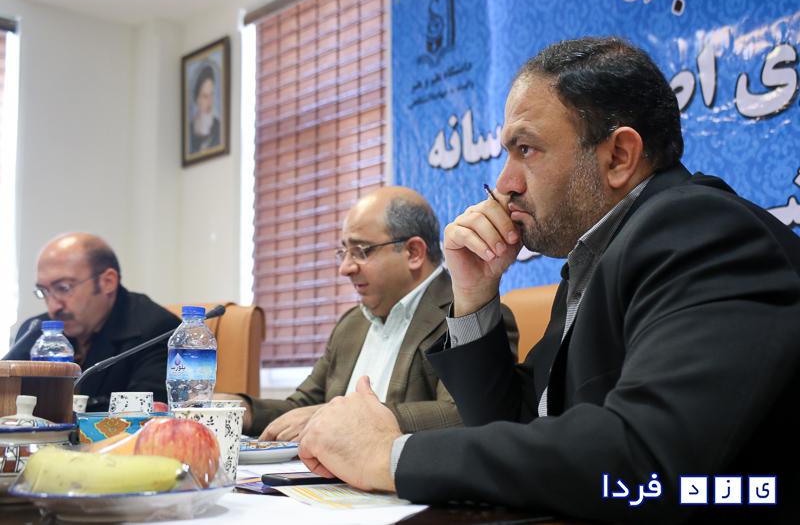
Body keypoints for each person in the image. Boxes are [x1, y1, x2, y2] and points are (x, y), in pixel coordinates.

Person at [295, 37, 800, 524]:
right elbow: (517, 425)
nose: (504, 183)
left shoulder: (700, 230)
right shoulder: (596, 256)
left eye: (526, 149)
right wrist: (473, 294)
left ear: (618, 157)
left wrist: (391, 456)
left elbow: (649, 464)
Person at [219, 186, 518, 440]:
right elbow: (303, 407)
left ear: (413, 253)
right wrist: (241, 410)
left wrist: (345, 418)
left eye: (360, 251)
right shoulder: (351, 324)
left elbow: (466, 415)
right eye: (344, 252)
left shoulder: (471, 318)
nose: (345, 268)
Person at [7, 233, 181, 412]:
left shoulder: (157, 330)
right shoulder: (35, 331)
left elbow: (146, 413)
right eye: (44, 291)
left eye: (63, 288)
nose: (53, 306)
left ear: (107, 282)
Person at [189, 64, 221, 154]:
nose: (209, 100)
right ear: (197, 99)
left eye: (211, 94)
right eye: (205, 96)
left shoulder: (218, 126)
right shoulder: (190, 130)